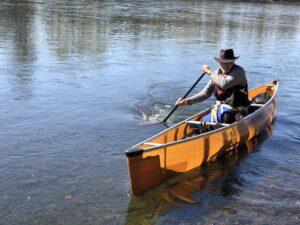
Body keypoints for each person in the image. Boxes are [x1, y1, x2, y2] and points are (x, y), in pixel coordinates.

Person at [176, 49, 250, 124]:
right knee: (203, 123)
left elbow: (225, 84)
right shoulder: (216, 74)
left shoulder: (239, 72)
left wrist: (209, 72)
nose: (225, 65)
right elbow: (206, 93)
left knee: (227, 116)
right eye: (223, 63)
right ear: (219, 62)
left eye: (228, 63)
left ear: (233, 61)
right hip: (221, 110)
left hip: (238, 110)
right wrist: (187, 101)